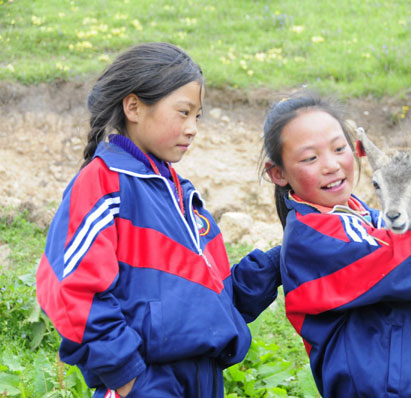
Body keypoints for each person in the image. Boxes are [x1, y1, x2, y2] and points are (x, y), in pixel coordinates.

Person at [35, 42, 281, 398]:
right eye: (183, 112)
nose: (193, 127)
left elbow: (216, 298)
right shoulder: (103, 182)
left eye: (197, 116)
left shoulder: (182, 195)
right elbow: (69, 289)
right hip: (147, 383)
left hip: (203, 382)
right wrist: (129, 379)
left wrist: (277, 264)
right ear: (134, 107)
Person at [261, 93, 411, 398]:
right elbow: (405, 264)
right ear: (278, 173)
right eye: (311, 157)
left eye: (339, 148)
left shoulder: (366, 219)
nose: (332, 165)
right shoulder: (315, 240)